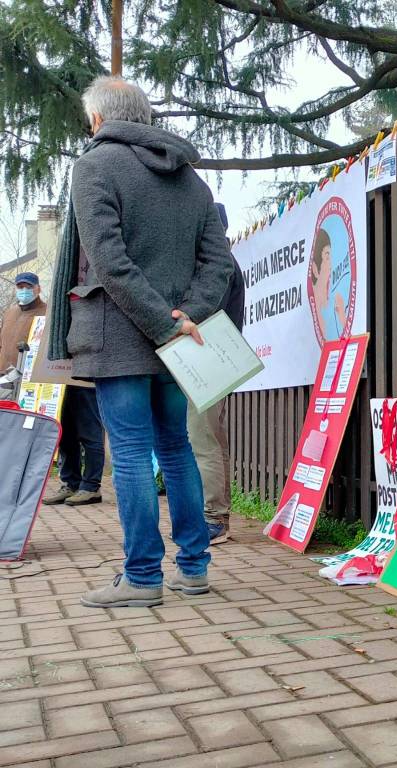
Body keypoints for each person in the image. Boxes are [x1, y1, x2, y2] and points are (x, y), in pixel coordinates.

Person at [48, 76, 234, 608]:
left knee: (129, 453)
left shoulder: (94, 165)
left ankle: (143, 577)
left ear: (100, 120)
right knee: (175, 446)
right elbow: (218, 264)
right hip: (180, 342)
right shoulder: (192, 181)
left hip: (117, 336)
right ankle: (195, 567)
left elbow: (107, 261)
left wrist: (162, 322)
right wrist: (184, 319)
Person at [187, 202, 244, 545]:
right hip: (214, 361)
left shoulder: (218, 267)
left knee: (202, 437)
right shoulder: (223, 263)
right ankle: (217, 512)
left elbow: (203, 314)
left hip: (211, 361)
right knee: (211, 437)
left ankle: (214, 518)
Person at [41, 385, 106, 506]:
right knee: (66, 437)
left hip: (86, 381)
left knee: (90, 435)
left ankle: (91, 487)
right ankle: (71, 484)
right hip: (67, 381)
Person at [0, 272, 47, 372]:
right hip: (3, 375)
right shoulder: (9, 312)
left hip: (28, 376)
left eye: (29, 287)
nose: (24, 290)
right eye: (20, 287)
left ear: (38, 289)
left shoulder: (48, 313)